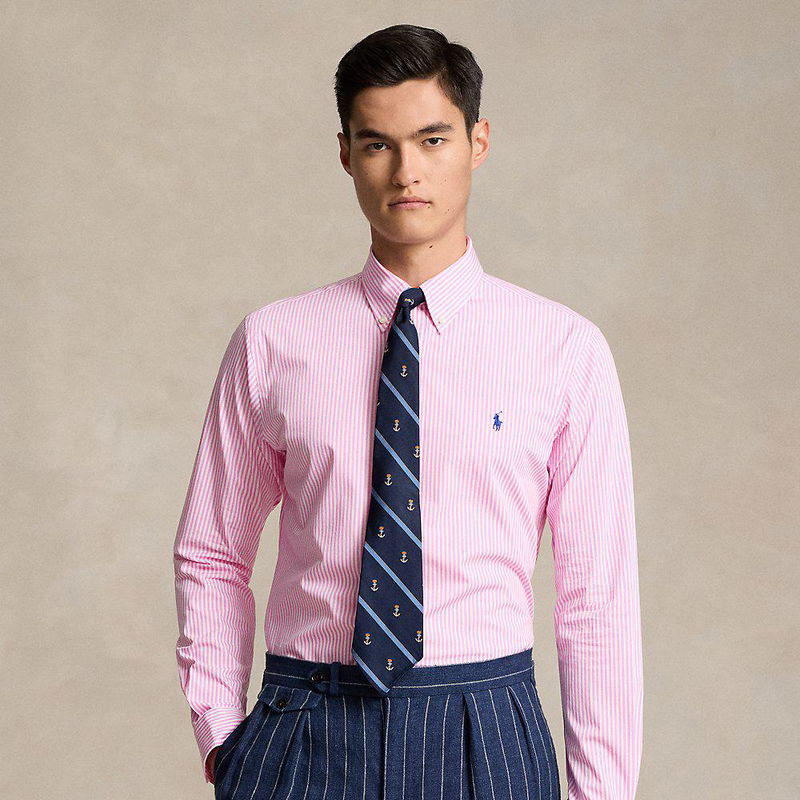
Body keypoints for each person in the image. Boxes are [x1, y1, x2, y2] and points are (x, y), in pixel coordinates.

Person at [173, 23, 643, 800]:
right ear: (346, 154)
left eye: (432, 139)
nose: (406, 172)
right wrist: (222, 738)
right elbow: (213, 552)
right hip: (306, 721)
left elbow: (598, 598)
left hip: (486, 727)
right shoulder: (274, 341)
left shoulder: (563, 349)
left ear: (478, 141)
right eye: (377, 145)